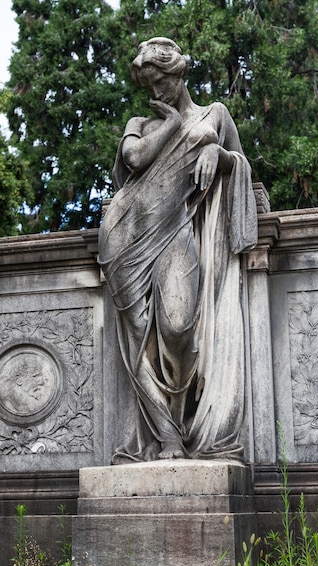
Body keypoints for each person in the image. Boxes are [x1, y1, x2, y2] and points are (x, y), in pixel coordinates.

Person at [98, 37, 258, 463]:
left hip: (176, 234)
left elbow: (240, 167)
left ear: (178, 74)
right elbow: (133, 159)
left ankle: (186, 422)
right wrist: (170, 123)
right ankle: (168, 439)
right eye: (148, 86)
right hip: (124, 239)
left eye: (160, 83)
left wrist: (216, 153)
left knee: (178, 327)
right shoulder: (143, 123)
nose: (154, 94)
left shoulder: (215, 115)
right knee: (138, 347)